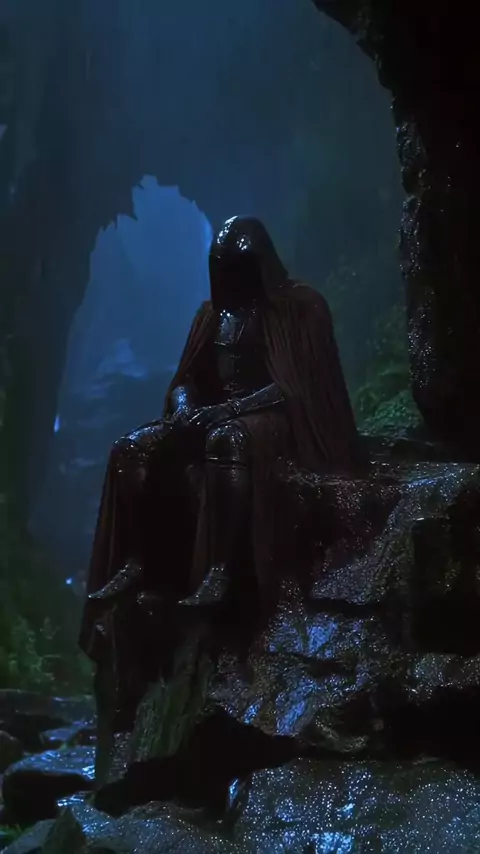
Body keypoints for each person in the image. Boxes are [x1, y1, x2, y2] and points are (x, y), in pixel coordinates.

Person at [79, 215, 360, 665]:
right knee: (133, 450)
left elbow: (299, 387)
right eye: (222, 266)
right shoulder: (212, 315)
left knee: (227, 441)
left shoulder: (300, 308)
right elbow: (188, 378)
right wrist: (186, 407)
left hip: (275, 421)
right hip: (214, 415)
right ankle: (136, 561)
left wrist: (231, 410)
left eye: (237, 266)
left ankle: (220, 570)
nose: (229, 276)